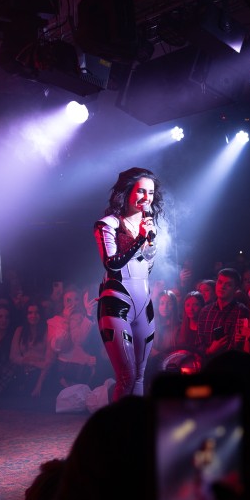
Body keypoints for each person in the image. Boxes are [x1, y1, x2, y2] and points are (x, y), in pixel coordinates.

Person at [94, 166, 162, 399]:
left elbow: (148, 267)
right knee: (127, 375)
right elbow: (111, 264)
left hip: (144, 303)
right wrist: (139, 239)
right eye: (141, 191)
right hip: (117, 302)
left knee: (140, 376)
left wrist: (148, 241)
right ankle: (118, 423)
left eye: (150, 193)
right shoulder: (108, 224)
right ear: (127, 191)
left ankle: (137, 422)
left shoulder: (149, 225)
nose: (146, 198)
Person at [197, 267, 248, 360]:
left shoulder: (241, 311)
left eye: (228, 284)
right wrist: (209, 350)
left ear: (236, 289)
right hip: (207, 364)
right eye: (220, 282)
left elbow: (240, 345)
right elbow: (198, 344)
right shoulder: (205, 311)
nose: (222, 287)